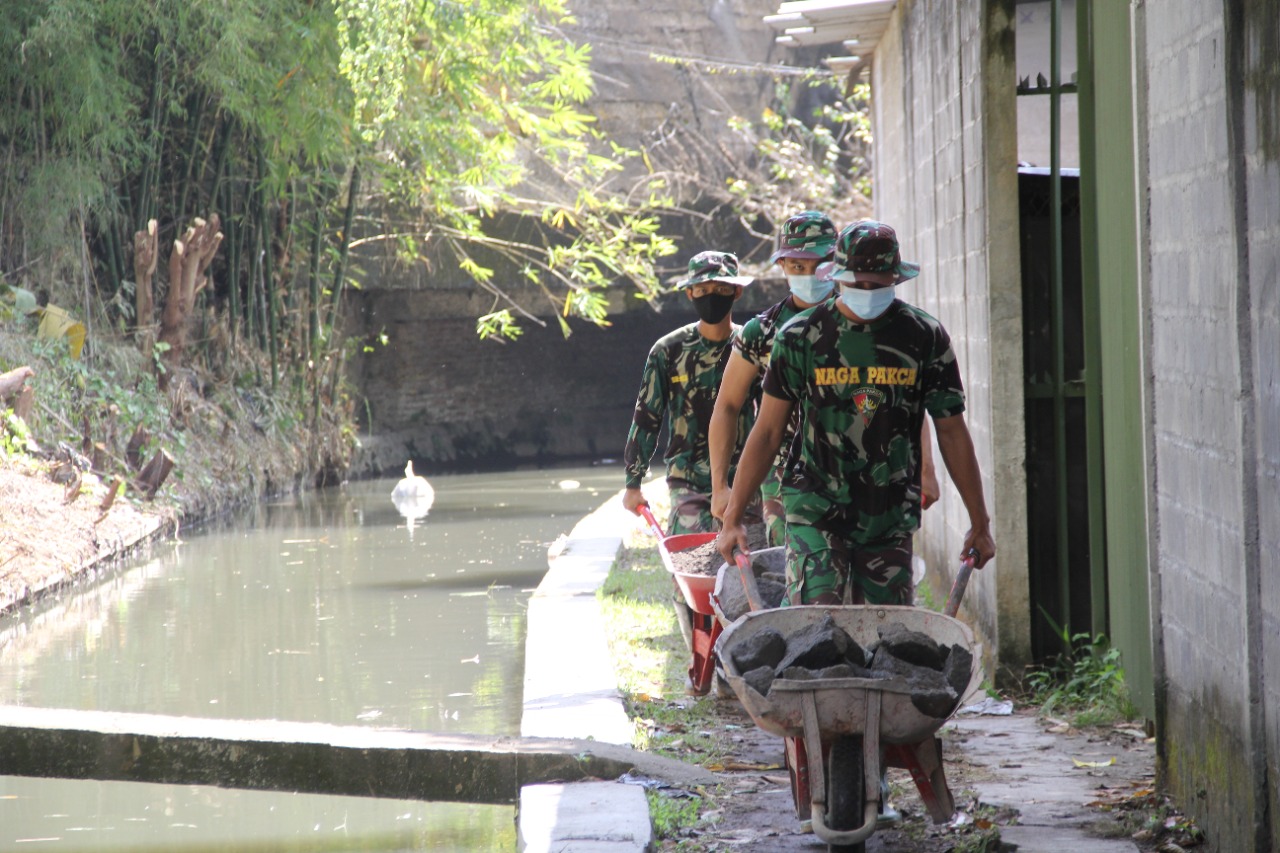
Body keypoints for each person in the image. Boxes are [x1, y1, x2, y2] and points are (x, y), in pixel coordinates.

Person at [715, 220, 995, 608]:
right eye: (858, 283)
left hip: (889, 514)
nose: (867, 292)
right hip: (815, 508)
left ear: (894, 279)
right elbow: (767, 432)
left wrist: (980, 522)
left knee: (887, 640)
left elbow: (951, 430)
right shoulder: (800, 337)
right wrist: (732, 518)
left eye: (877, 285)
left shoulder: (923, 336)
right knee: (816, 629)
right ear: (840, 277)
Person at [710, 212, 941, 549]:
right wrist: (720, 487)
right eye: (798, 266)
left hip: (863, 463)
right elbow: (728, 406)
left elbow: (903, 398)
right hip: (786, 470)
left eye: (819, 263)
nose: (810, 275)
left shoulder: (870, 319)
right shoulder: (763, 332)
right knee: (799, 565)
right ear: (783, 266)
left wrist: (926, 467)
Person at [623, 250, 755, 534]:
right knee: (691, 550)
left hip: (746, 477)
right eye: (703, 289)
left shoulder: (753, 346)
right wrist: (633, 483)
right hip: (688, 478)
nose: (712, 296)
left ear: (737, 292)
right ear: (690, 294)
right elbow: (647, 418)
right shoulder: (667, 350)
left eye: (721, 289)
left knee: (753, 557)